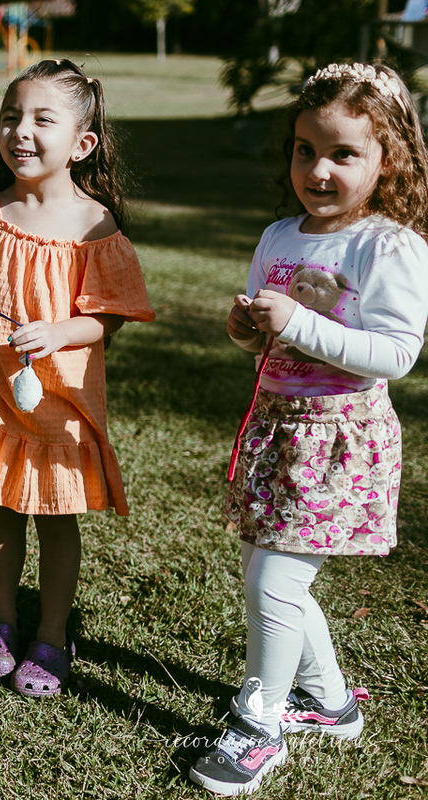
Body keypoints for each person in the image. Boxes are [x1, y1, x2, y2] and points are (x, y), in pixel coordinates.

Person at [189, 62, 428, 796]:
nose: (317, 169)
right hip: (277, 434)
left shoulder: (387, 247)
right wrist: (249, 332)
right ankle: (329, 703)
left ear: (387, 160)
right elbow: (273, 339)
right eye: (304, 149)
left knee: (274, 580)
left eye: (342, 153)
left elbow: (396, 353)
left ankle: (259, 724)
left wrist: (303, 321)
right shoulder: (279, 236)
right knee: (279, 578)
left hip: (339, 442)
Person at [0, 58, 154, 698]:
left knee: (55, 514)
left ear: (82, 145)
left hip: (61, 391)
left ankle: (53, 634)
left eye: (40, 119)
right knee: (4, 506)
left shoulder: (93, 226)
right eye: (10, 116)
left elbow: (110, 317)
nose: (20, 131)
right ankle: (2, 621)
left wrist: (60, 332)